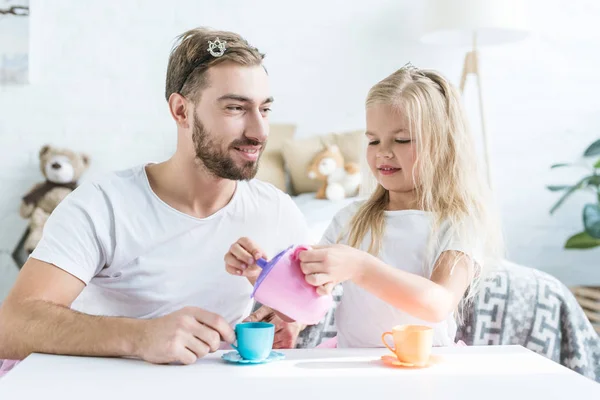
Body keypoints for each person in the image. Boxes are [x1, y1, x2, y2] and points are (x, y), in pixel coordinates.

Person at [0, 27, 308, 366]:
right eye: (236, 108)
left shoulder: (276, 211)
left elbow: (295, 313)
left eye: (264, 110)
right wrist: (140, 337)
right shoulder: (102, 206)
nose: (260, 131)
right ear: (181, 111)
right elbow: (12, 327)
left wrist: (285, 324)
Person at [226, 64, 504, 348]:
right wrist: (261, 274)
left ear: (443, 145)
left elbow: (437, 304)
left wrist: (360, 267)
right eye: (373, 140)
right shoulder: (350, 219)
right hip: (353, 367)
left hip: (421, 370)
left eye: (402, 139)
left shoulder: (458, 223)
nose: (383, 151)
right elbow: (303, 306)